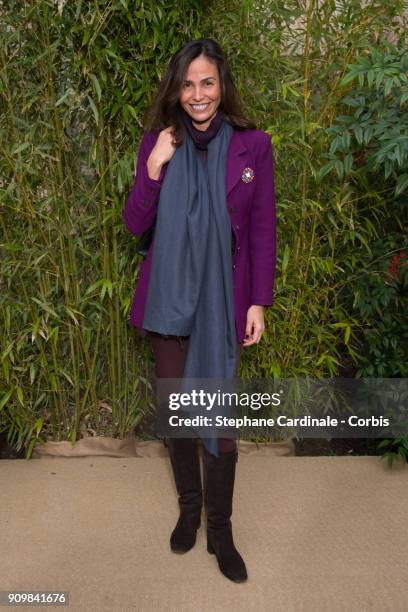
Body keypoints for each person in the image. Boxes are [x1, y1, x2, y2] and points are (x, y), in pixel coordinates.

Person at [123, 38, 276, 583]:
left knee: (220, 418)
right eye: (187, 84)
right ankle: (189, 510)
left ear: (222, 85)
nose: (197, 94)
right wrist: (156, 166)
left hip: (223, 301)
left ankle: (222, 529)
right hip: (169, 302)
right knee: (180, 414)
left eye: (207, 82)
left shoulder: (253, 146)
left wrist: (258, 300)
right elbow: (135, 222)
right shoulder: (157, 142)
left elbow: (261, 228)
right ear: (176, 88)